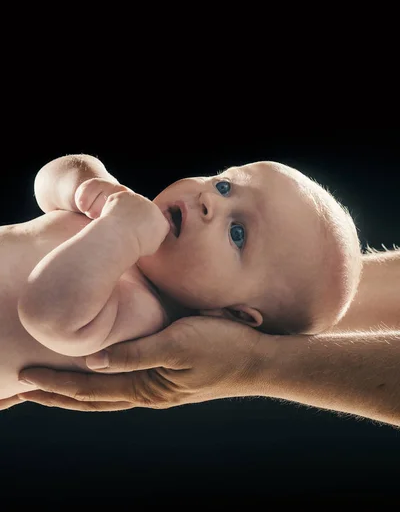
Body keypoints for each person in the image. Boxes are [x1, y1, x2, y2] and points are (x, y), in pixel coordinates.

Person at [0, 153, 361, 404]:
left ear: (233, 314)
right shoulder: (121, 211)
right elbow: (49, 181)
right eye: (225, 185)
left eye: (237, 233)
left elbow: (46, 313)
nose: (210, 201)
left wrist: (120, 229)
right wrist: (90, 184)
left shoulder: (143, 315)